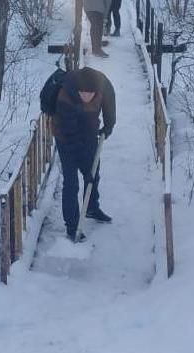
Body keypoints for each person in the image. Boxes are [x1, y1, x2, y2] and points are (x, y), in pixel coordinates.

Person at [52, 66, 116, 241]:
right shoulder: (65, 96)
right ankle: (72, 226)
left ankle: (91, 207)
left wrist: (108, 127)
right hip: (65, 137)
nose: (87, 97)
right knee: (71, 182)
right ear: (77, 90)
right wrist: (83, 165)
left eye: (91, 94)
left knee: (94, 173)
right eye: (83, 93)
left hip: (89, 132)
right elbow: (71, 137)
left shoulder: (103, 85)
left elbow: (110, 104)